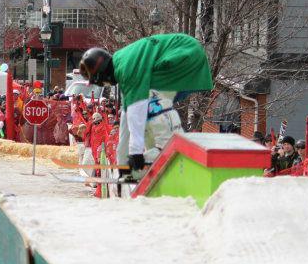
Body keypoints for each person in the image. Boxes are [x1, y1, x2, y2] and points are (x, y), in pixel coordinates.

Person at [79, 34, 213, 178]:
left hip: (185, 55)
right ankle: (155, 156)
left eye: (102, 83)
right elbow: (127, 115)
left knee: (150, 102)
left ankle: (166, 148)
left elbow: (135, 111)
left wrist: (135, 154)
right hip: (186, 54)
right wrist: (122, 162)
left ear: (102, 75)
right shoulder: (122, 64)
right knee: (147, 112)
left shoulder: (127, 70)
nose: (105, 85)